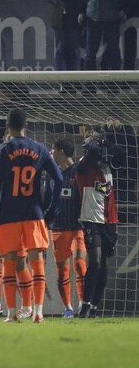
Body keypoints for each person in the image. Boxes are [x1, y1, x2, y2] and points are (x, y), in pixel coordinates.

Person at [0, 108, 63, 323]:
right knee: (36, 262)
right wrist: (49, 207)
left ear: (8, 126)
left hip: (8, 215)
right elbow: (59, 179)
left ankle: (11, 314)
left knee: (9, 262)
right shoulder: (40, 149)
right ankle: (38, 312)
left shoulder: (2, 150)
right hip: (34, 214)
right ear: (26, 125)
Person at [0, 132, 35, 320]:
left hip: (18, 217)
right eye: (7, 137)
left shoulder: (27, 161)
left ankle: (27, 306)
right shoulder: (0, 158)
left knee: (19, 263)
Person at [75, 128, 124, 318]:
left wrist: (108, 143)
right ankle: (85, 305)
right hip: (90, 219)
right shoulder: (84, 165)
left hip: (109, 220)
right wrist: (95, 140)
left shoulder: (107, 164)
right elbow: (93, 149)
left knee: (103, 265)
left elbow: (121, 153)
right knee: (94, 262)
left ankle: (94, 306)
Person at [44, 137, 87, 318]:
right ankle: (68, 308)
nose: (50, 152)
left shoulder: (78, 170)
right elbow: (47, 200)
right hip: (59, 228)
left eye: (52, 149)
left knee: (79, 263)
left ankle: (83, 305)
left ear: (61, 151)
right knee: (62, 271)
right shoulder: (51, 175)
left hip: (78, 226)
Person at [78, 0, 135, 71]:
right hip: (93, 16)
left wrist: (124, 9)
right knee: (90, 53)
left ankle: (113, 83)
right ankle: (89, 84)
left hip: (113, 17)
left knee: (113, 53)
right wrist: (81, 10)